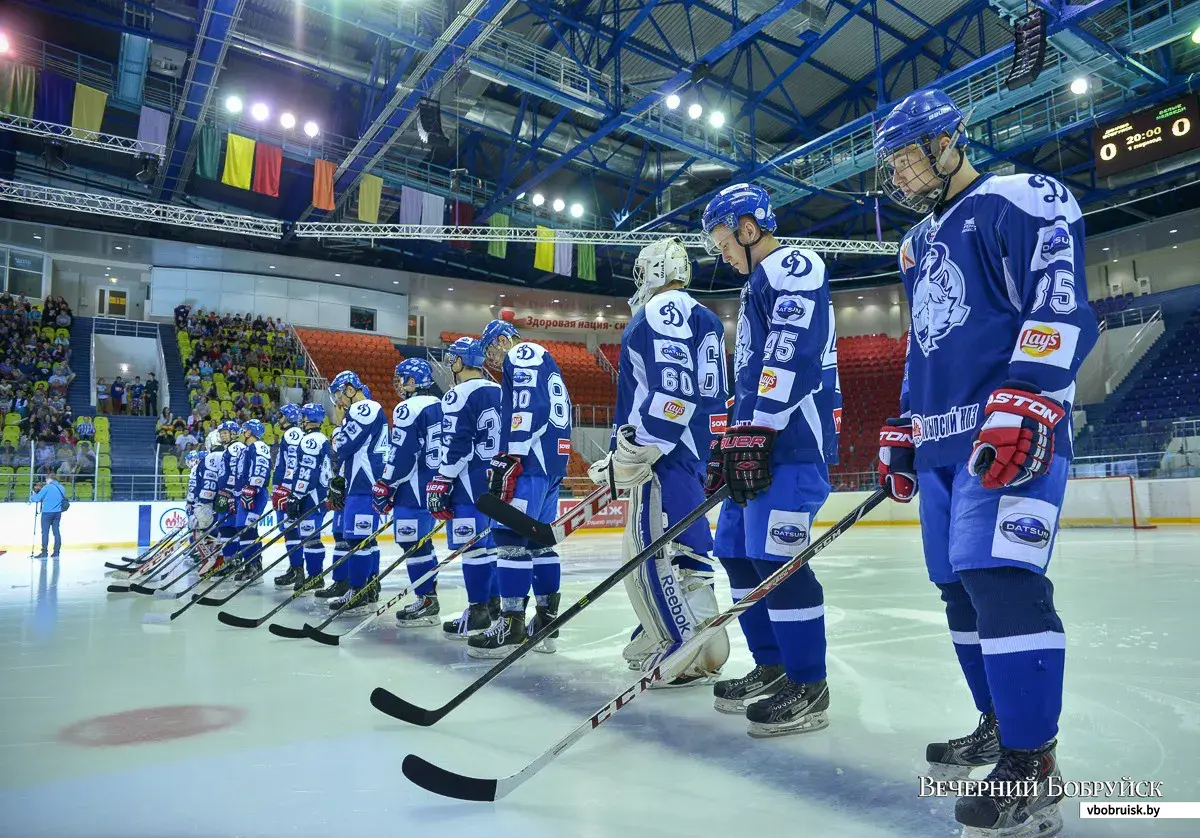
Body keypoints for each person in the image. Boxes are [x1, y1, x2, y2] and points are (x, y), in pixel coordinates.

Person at [872, 89, 1097, 838]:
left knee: (1002, 580)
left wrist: (1031, 396)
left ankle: (1032, 763)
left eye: (907, 156)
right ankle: (999, 726)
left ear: (948, 143)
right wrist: (903, 425)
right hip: (941, 442)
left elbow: (1057, 299)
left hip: (1006, 431)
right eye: (894, 164)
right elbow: (925, 342)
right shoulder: (915, 244)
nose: (899, 175)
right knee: (958, 591)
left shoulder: (1020, 198)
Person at [700, 182, 841, 737]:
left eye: (724, 241)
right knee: (736, 551)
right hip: (760, 440)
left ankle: (810, 683)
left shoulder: (794, 265)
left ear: (749, 227)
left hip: (792, 444)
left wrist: (756, 429)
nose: (723, 253)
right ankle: (774, 666)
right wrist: (733, 437)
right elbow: (754, 371)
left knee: (778, 563)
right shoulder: (757, 281)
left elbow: (792, 350)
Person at [588, 237, 730, 686]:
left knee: (654, 550)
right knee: (688, 549)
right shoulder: (705, 317)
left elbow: (672, 390)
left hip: (664, 455)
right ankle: (699, 631)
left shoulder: (659, 310)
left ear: (655, 270)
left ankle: (680, 645)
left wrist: (638, 448)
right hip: (693, 449)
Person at [468, 319, 572, 657]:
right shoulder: (546, 360)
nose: (492, 359)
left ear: (501, 340)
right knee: (540, 543)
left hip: (531, 462)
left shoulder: (523, 352)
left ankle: (511, 623)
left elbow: (531, 406)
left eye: (490, 349)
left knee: (510, 539)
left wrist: (511, 454)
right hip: (551, 463)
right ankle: (546, 622)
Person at [427, 337, 501, 638]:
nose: (450, 364)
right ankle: (497, 606)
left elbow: (457, 445)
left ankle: (478, 611)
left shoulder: (457, 395)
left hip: (469, 482)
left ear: (460, 361)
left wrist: (441, 480)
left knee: (472, 550)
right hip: (499, 480)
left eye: (452, 358)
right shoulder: (500, 390)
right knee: (495, 547)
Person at [373, 359, 444, 626]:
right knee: (421, 543)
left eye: (402, 378)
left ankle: (426, 600)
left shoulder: (408, 408)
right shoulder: (440, 405)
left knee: (412, 544)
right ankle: (429, 598)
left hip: (412, 489)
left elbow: (403, 454)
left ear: (414, 381)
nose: (399, 383)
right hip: (434, 486)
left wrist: (386, 484)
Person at [320, 371, 388, 612]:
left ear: (350, 389)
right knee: (364, 541)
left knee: (357, 540)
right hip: (363, 483)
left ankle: (358, 590)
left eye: (340, 394)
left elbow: (344, 446)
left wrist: (339, 426)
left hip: (363, 484)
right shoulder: (366, 409)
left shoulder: (363, 407)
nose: (339, 401)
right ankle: (368, 587)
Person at [285, 402, 332, 591]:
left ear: (308, 419)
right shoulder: (321, 438)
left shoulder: (310, 441)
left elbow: (307, 471)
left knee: (311, 538)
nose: (301, 420)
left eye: (303, 416)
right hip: (318, 494)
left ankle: (315, 577)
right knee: (311, 537)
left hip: (310, 496)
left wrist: (296, 496)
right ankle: (315, 576)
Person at [270, 403, 307, 588]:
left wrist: (285, 489)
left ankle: (298, 571)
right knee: (289, 531)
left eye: (282, 415)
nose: (279, 418)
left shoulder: (292, 434)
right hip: (286, 489)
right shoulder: (292, 434)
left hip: (288, 490)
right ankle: (295, 568)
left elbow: (292, 464)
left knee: (291, 530)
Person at [232, 419, 271, 583]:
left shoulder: (259, 446)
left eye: (244, 430)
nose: (242, 433)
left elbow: (260, 469)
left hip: (255, 493)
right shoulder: (247, 449)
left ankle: (254, 565)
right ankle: (250, 564)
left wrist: (251, 489)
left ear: (250, 432)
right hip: (245, 493)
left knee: (248, 529)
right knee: (243, 528)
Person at [212, 421, 244, 575]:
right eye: (221, 433)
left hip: (231, 494)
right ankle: (231, 560)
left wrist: (230, 493)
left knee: (230, 528)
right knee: (226, 528)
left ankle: (234, 561)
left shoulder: (236, 447)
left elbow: (235, 472)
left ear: (234, 433)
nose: (222, 435)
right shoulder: (228, 449)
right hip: (225, 493)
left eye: (226, 432)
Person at [29, 475, 67, 558]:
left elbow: (37, 499)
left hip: (47, 512)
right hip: (57, 512)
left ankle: (44, 552)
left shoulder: (47, 487)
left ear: (49, 479)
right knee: (56, 532)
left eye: (46, 480)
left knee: (45, 533)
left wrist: (33, 495)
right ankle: (56, 552)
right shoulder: (62, 488)